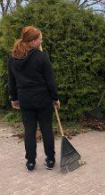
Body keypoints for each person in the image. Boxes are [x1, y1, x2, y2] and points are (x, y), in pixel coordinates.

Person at [8, 26, 60, 172]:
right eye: (40, 39)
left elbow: (11, 82)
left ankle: (30, 162)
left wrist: (14, 98)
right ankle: (50, 160)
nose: (41, 41)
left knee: (29, 130)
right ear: (33, 41)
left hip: (25, 100)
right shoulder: (42, 57)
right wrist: (55, 98)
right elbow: (50, 81)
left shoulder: (13, 58)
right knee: (46, 129)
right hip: (43, 99)